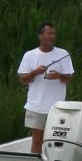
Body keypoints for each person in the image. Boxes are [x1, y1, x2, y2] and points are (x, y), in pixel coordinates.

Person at [17, 22, 75, 153]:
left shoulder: (63, 53)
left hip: (57, 108)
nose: (52, 36)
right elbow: (23, 80)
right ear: (40, 36)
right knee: (37, 141)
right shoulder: (29, 55)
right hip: (36, 107)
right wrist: (35, 72)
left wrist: (58, 76)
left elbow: (68, 78)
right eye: (49, 33)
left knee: (56, 143)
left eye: (54, 33)